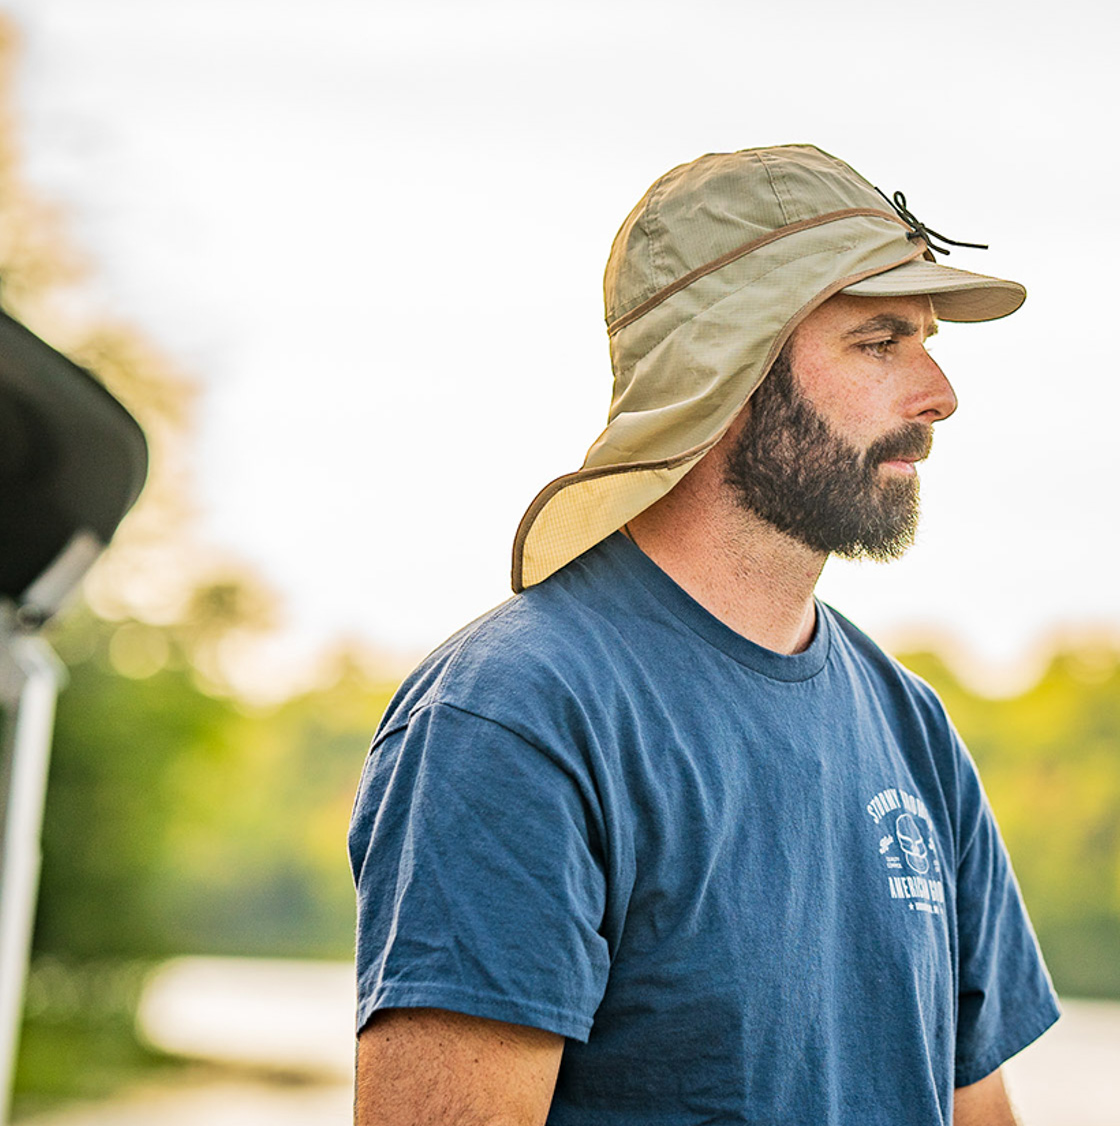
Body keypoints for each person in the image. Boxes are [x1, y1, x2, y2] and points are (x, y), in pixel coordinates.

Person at [347, 145, 1059, 1125]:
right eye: (878, 341)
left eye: (928, 340)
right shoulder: (515, 713)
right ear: (721, 367)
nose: (937, 394)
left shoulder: (911, 731)